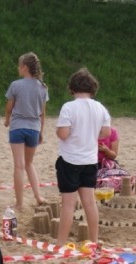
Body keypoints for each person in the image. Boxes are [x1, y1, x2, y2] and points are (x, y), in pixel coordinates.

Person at [55, 68, 111, 246]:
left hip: (70, 160)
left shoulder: (69, 107)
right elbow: (106, 132)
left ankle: (61, 244)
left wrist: (67, 131)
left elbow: (63, 134)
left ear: (72, 88)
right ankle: (94, 240)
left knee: (68, 205)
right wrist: (90, 132)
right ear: (92, 89)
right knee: (89, 203)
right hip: (90, 161)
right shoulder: (100, 107)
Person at [4, 52, 49, 211]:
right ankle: (38, 197)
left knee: (19, 166)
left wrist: (7, 119)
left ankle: (19, 203)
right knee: (29, 164)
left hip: (18, 127)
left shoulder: (16, 85)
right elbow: (43, 113)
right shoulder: (42, 87)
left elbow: (9, 106)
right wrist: (41, 132)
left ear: (24, 68)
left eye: (19, 66)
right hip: (34, 128)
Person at [96, 126, 129, 193]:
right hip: (89, 163)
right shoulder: (88, 130)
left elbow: (113, 155)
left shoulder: (112, 132)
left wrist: (106, 150)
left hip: (107, 164)